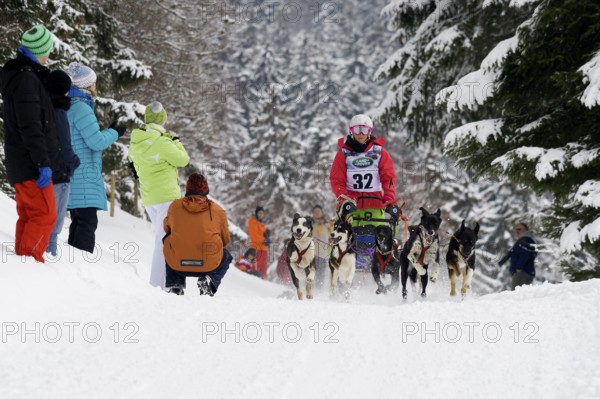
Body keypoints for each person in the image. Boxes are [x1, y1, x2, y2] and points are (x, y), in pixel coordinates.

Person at [0, 25, 68, 263]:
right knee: (44, 215)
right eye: (48, 49)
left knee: (29, 215)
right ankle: (29, 263)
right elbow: (30, 126)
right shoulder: (26, 79)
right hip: (30, 162)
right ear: (41, 50)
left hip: (23, 161)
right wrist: (42, 163)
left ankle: (23, 261)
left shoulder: (26, 76)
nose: (49, 54)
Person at [128, 101, 189, 289]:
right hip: (167, 197)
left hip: (149, 198)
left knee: (163, 238)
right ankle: (158, 285)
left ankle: (163, 283)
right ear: (162, 118)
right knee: (164, 240)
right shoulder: (162, 142)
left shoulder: (136, 141)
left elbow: (132, 162)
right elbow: (183, 159)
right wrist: (176, 140)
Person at [65, 62, 125, 253]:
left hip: (76, 175)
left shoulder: (69, 106)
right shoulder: (81, 108)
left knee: (78, 222)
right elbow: (96, 142)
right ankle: (82, 266)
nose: (95, 87)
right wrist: (115, 132)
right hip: (84, 177)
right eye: (94, 83)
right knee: (86, 224)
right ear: (86, 85)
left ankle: (73, 265)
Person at [329, 114, 397, 270]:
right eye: (357, 129)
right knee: (348, 237)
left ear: (370, 131)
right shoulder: (343, 154)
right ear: (351, 131)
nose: (361, 133)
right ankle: (343, 267)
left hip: (376, 204)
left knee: (382, 235)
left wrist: (389, 198)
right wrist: (344, 199)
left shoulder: (379, 152)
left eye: (365, 129)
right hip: (352, 206)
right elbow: (336, 181)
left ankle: (384, 265)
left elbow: (389, 177)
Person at [163, 173, 232, 296]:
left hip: (177, 263)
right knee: (226, 256)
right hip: (209, 263)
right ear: (206, 189)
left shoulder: (174, 206)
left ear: (187, 188)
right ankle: (209, 282)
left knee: (170, 244)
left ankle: (175, 284)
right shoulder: (218, 210)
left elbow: (166, 228)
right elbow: (225, 239)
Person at [44, 70, 81, 256]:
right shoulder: (58, 113)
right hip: (59, 173)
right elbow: (64, 145)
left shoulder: (42, 107)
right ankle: (50, 258)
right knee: (54, 225)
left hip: (45, 170)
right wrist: (74, 162)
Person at [499, 223, 537, 290]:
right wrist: (500, 263)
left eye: (519, 229)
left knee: (516, 295)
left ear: (526, 230)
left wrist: (519, 267)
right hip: (526, 273)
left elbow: (525, 254)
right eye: (516, 229)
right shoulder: (523, 241)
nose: (517, 231)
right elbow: (510, 253)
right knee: (522, 295)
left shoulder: (525, 241)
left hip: (522, 273)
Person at [248, 206, 269, 279]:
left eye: (262, 213)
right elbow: (254, 235)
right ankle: (255, 281)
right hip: (256, 247)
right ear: (256, 213)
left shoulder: (262, 224)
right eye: (259, 213)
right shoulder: (252, 221)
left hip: (263, 249)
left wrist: (267, 238)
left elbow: (263, 235)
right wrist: (264, 240)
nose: (261, 215)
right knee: (256, 267)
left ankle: (264, 282)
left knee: (263, 268)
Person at [312, 205, 330, 287]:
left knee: (321, 275)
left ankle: (319, 291)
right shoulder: (310, 224)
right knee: (311, 274)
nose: (317, 213)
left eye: (319, 211)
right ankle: (309, 290)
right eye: (315, 212)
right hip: (312, 254)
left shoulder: (327, 224)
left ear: (321, 213)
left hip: (324, 254)